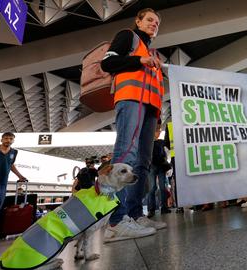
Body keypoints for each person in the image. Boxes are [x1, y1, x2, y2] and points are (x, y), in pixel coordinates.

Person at [100, 8, 166, 242]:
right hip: (131, 101)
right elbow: (107, 64)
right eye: (149, 20)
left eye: (157, 23)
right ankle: (117, 221)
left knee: (143, 162)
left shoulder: (153, 51)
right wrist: (139, 60)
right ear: (138, 21)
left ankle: (136, 215)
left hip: (150, 109)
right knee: (127, 154)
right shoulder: (128, 37)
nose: (153, 24)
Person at [146, 124, 171, 217]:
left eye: (160, 130)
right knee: (152, 188)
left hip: (161, 166)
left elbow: (166, 149)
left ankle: (164, 207)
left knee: (163, 187)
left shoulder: (161, 142)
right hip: (152, 167)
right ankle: (151, 209)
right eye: (157, 130)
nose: (159, 132)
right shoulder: (147, 142)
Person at [0, 132, 27, 211]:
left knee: (0, 202)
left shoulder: (14, 152)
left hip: (2, 183)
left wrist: (19, 176)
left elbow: (11, 164)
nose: (8, 140)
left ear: (13, 141)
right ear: (1, 140)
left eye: (11, 139)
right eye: (6, 138)